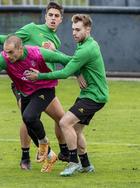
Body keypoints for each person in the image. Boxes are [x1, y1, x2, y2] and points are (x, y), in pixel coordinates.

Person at [0, 1, 77, 169]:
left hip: (43, 83)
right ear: (45, 16)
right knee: (28, 117)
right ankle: (25, 157)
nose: (53, 18)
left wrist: (72, 66)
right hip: (23, 83)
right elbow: (11, 40)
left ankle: (61, 152)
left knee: (60, 118)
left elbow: (57, 59)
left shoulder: (55, 39)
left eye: (57, 16)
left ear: (62, 19)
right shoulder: (32, 28)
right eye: (50, 15)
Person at [0, 35, 72, 173]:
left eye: (10, 52)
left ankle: (44, 143)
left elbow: (66, 60)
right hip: (26, 93)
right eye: (5, 52)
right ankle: (50, 155)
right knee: (29, 125)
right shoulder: (3, 59)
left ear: (20, 49)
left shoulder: (37, 53)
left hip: (45, 89)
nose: (7, 55)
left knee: (29, 117)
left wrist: (80, 73)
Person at [25, 14, 109, 176]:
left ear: (88, 29)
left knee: (64, 123)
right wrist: (56, 51)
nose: (74, 33)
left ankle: (73, 162)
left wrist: (39, 76)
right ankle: (86, 164)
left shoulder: (86, 48)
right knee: (76, 131)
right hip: (91, 95)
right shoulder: (87, 44)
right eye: (72, 29)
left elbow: (65, 72)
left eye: (78, 30)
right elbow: (73, 60)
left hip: (94, 96)